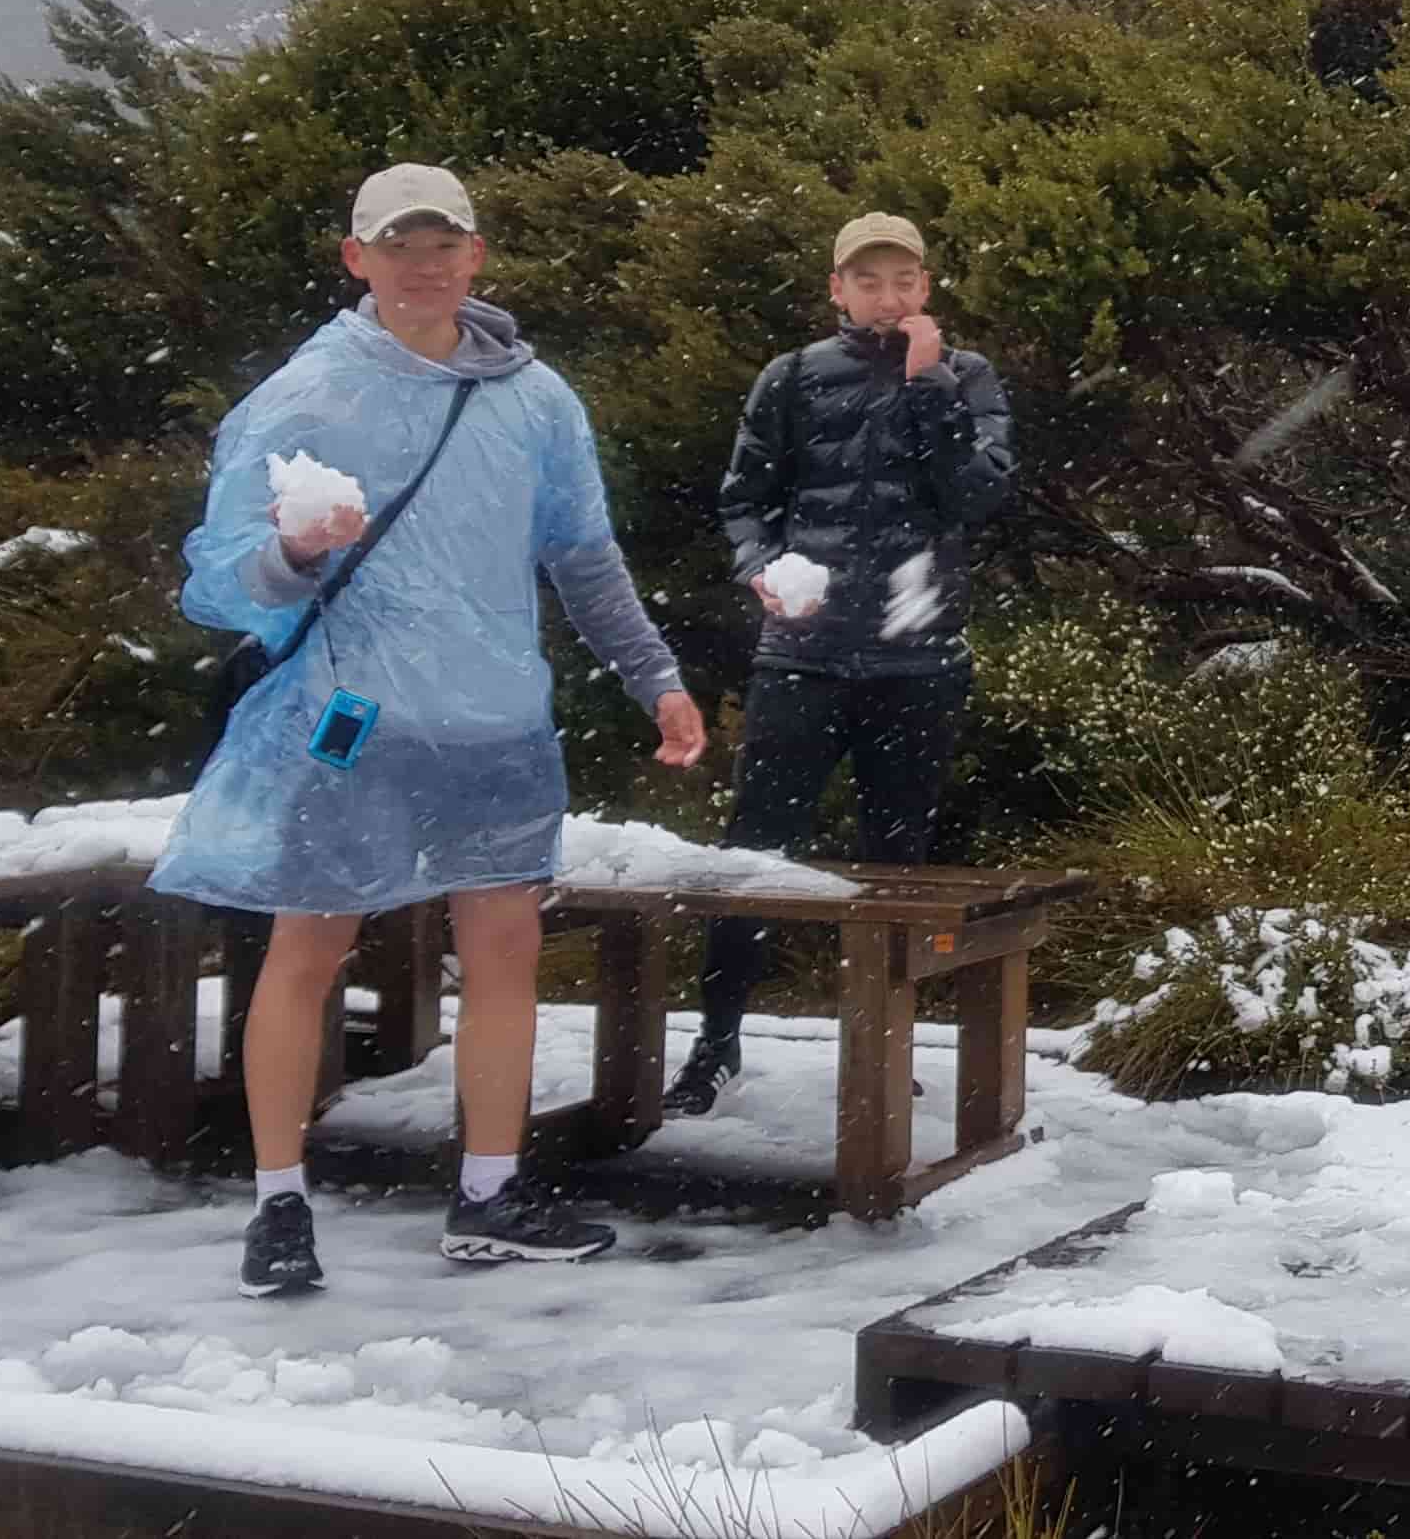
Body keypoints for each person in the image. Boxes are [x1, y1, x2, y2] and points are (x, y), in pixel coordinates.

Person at [156, 163, 707, 1296]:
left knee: (504, 952)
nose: (425, 262)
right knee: (307, 949)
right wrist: (296, 553)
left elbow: (582, 555)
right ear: (356, 259)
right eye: (399, 244)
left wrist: (654, 678)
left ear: (477, 254)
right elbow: (217, 583)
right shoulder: (303, 400)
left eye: (444, 241)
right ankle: (278, 1205)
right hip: (346, 722)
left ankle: (492, 1191)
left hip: (498, 723)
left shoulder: (537, 399)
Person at [663, 214, 1017, 1116]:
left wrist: (927, 382)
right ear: (837, 290)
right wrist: (760, 570)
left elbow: (975, 496)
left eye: (903, 280)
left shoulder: (966, 378)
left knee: (896, 869)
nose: (887, 297)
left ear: (927, 287)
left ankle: (885, 1051)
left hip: (918, 662)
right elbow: (745, 502)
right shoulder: (791, 378)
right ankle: (716, 1040)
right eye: (869, 282)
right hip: (802, 657)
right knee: (754, 857)